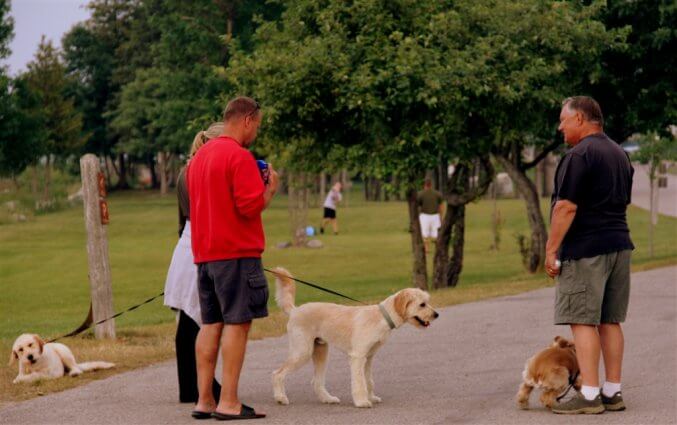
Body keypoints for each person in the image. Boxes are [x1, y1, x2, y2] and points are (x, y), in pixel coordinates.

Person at [188, 97, 279, 420]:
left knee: (210, 324)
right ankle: (229, 402)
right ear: (248, 120)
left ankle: (205, 400)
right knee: (237, 325)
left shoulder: (198, 159)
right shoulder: (239, 157)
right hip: (237, 254)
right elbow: (249, 206)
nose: (256, 132)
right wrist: (270, 190)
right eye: (258, 124)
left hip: (205, 256)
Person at [546, 96, 634, 414]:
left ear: (580, 119)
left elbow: (566, 206)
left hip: (586, 250)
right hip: (619, 244)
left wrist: (551, 249)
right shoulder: (619, 153)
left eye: (563, 120)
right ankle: (613, 391)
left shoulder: (580, 154)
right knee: (610, 320)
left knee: (582, 320)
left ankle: (589, 395)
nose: (560, 126)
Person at [163, 123, 224, 404]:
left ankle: (190, 385)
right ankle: (199, 385)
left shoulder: (185, 172)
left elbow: (180, 219)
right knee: (201, 321)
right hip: (200, 246)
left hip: (187, 244)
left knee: (190, 323)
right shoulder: (202, 173)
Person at [417, 178, 443, 253]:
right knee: (436, 234)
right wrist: (441, 216)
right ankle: (438, 248)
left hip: (424, 216)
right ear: (431, 184)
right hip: (435, 216)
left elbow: (418, 206)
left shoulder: (420, 194)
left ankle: (426, 248)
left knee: (424, 234)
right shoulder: (437, 193)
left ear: (424, 185)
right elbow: (441, 206)